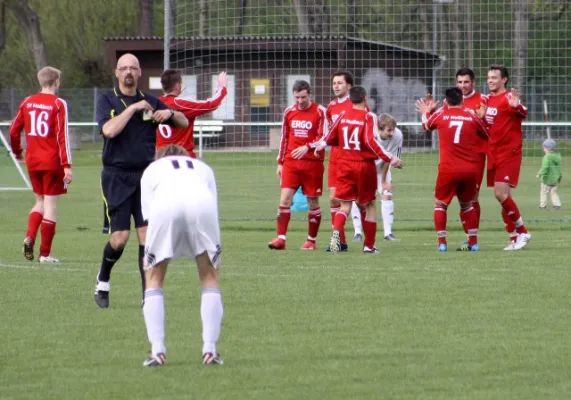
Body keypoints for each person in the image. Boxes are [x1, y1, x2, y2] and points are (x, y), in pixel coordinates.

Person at [94, 53, 188, 308]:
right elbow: (109, 130)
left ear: (140, 73)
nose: (128, 72)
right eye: (123, 68)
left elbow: (183, 120)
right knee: (120, 238)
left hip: (147, 177)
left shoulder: (151, 100)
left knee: (146, 237)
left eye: (132, 68)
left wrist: (168, 114)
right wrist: (134, 109)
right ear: (116, 73)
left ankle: (148, 293)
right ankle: (103, 280)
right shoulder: (107, 100)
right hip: (116, 175)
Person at [140, 144, 223, 367]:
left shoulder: (152, 169)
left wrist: (148, 256)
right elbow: (212, 205)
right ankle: (210, 349)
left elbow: (148, 217)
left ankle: (157, 350)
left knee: (154, 277)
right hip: (202, 205)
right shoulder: (203, 167)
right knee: (209, 275)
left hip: (165, 206)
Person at [315, 86, 403, 254]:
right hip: (363, 165)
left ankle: (335, 239)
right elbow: (370, 141)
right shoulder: (369, 116)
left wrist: (322, 145)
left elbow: (330, 134)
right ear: (365, 98)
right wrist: (389, 157)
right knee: (369, 205)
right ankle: (369, 246)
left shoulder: (342, 115)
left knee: (345, 206)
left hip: (344, 165)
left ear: (350, 99)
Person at [9, 66, 73, 263]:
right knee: (51, 206)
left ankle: (30, 236)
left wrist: (18, 152)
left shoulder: (28, 102)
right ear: (56, 82)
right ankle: (44, 254)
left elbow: (13, 130)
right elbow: (62, 136)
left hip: (33, 161)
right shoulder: (58, 104)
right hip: (52, 162)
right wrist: (67, 165)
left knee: (39, 202)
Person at [417, 87, 488, 251]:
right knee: (467, 205)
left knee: (440, 205)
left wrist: (426, 111)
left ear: (446, 102)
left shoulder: (441, 115)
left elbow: (425, 125)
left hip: (448, 169)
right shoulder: (471, 116)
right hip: (470, 169)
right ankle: (473, 242)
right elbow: (486, 134)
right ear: (462, 100)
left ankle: (442, 244)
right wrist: (481, 118)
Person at [267, 80, 327, 250]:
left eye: (303, 97)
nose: (300, 101)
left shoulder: (320, 111)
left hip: (312, 164)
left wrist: (307, 147)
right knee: (285, 199)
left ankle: (311, 241)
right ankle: (280, 239)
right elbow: (284, 138)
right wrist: (280, 162)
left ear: (310, 94)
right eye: (297, 97)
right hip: (291, 163)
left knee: (312, 202)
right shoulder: (289, 112)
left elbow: (325, 137)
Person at [485, 64, 531, 250]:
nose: (490, 81)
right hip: (493, 153)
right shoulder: (487, 100)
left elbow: (523, 112)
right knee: (504, 197)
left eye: (494, 78)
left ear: (504, 79)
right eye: (488, 77)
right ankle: (513, 238)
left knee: (500, 193)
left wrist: (517, 105)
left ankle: (523, 231)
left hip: (509, 152)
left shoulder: (509, 98)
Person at [157, 69, 228, 158]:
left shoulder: (154, 103)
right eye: (181, 82)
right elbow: (211, 104)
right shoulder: (180, 103)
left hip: (162, 158)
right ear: (177, 85)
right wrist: (222, 87)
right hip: (183, 157)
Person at [325, 70, 355, 251]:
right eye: (334, 83)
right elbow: (330, 133)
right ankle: (340, 241)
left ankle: (369, 242)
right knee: (333, 199)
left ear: (349, 86)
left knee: (358, 202)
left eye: (340, 83)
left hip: (352, 158)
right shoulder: (331, 107)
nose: (336, 86)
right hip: (335, 157)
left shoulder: (357, 105)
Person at [536, 138, 562, 210]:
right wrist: (559, 177)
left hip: (546, 180)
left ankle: (542, 206)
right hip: (554, 180)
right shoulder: (557, 157)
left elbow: (545, 167)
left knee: (543, 192)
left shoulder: (547, 157)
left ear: (547, 148)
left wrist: (539, 173)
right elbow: (558, 168)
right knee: (553, 192)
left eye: (544, 147)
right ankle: (557, 205)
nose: (543, 149)